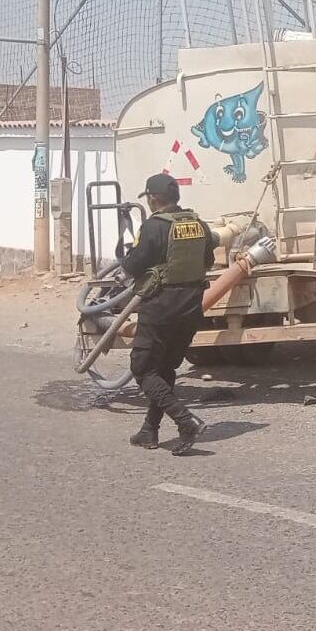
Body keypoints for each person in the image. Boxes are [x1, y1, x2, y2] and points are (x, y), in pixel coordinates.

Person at [123, 172, 217, 455]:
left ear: (152, 199)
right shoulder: (198, 224)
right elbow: (208, 261)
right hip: (190, 307)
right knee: (165, 369)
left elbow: (133, 265)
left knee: (142, 368)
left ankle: (185, 420)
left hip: (160, 308)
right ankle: (149, 430)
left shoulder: (153, 227)